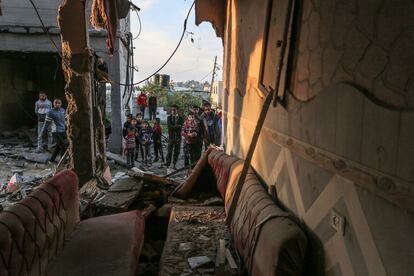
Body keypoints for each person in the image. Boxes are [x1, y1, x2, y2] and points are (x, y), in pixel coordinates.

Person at [41, 98, 68, 163]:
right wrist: (42, 133)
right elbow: (46, 124)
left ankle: (51, 160)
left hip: (63, 131)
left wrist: (67, 128)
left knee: (58, 146)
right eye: (56, 103)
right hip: (56, 132)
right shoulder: (50, 112)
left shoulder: (62, 110)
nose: (57, 104)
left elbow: (65, 121)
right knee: (63, 147)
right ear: (53, 103)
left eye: (59, 103)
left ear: (61, 104)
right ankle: (63, 162)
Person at [164, 105, 183, 170]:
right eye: (172, 110)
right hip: (171, 137)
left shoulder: (180, 118)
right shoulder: (169, 118)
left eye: (174, 110)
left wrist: (175, 127)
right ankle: (167, 164)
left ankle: (174, 164)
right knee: (169, 151)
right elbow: (169, 127)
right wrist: (177, 126)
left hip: (178, 137)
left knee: (177, 151)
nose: (173, 111)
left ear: (177, 110)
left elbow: (181, 127)